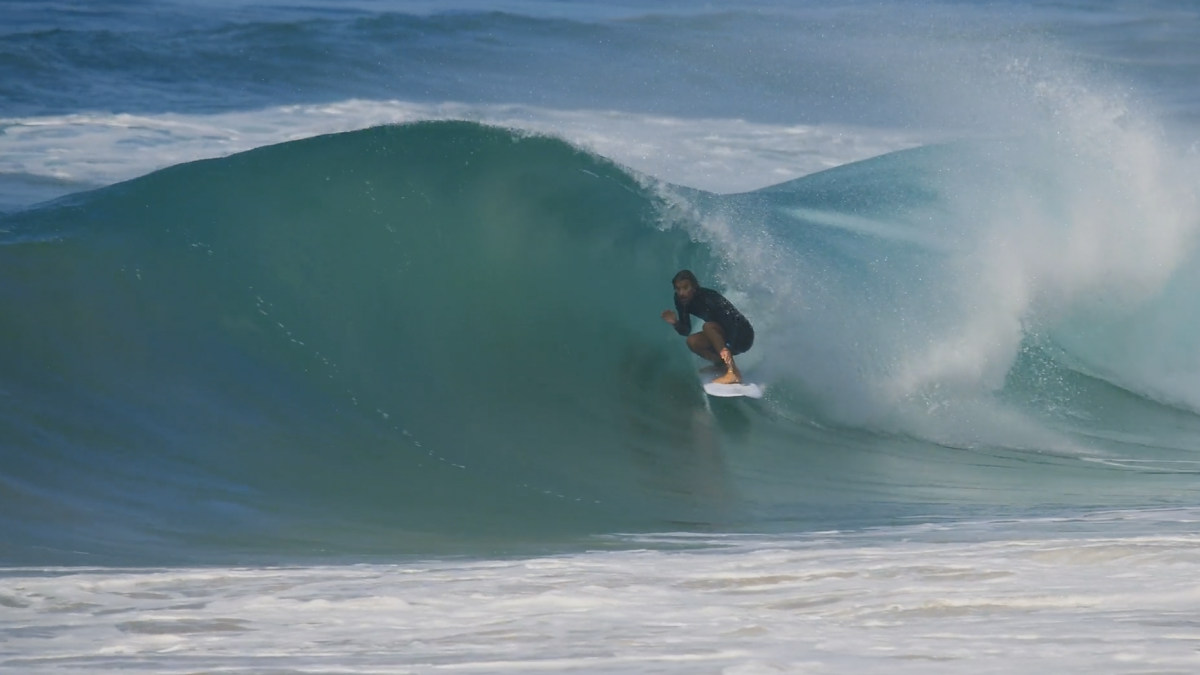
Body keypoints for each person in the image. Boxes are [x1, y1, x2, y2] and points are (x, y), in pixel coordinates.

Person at [661, 270, 754, 385]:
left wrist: (727, 347)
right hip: (723, 334)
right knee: (692, 341)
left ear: (694, 287)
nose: (681, 293)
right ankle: (721, 365)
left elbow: (733, 322)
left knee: (708, 326)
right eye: (678, 289)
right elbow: (686, 330)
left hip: (742, 335)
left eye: (685, 288)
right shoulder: (681, 301)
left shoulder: (709, 298)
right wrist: (675, 322)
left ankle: (733, 372)